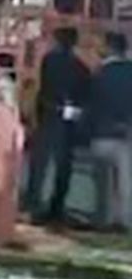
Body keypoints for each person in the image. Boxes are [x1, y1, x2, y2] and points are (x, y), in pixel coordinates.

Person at [23, 27, 90, 224]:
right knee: (63, 166)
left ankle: (33, 203)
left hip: (49, 114)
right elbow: (84, 94)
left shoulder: (50, 60)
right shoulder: (81, 67)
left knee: (40, 164)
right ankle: (56, 207)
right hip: (68, 119)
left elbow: (43, 88)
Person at [88, 33, 132, 231]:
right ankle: (123, 219)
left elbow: (91, 104)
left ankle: (103, 219)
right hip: (127, 132)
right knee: (125, 182)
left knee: (102, 182)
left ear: (110, 48)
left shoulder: (99, 74)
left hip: (102, 131)